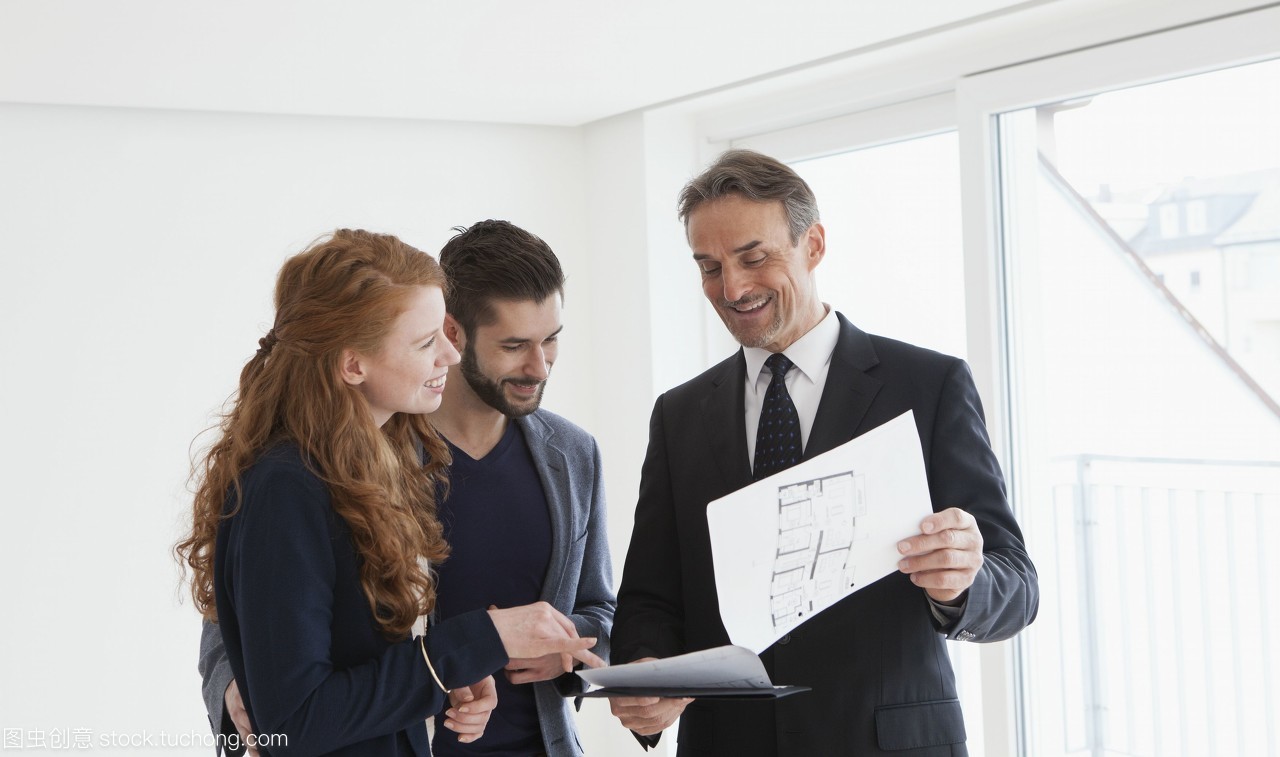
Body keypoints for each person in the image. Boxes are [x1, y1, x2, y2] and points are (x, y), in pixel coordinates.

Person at [608, 151, 1038, 756]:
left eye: (754, 257)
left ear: (813, 245)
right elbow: (652, 594)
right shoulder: (678, 415)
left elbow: (1017, 584)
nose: (731, 288)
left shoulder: (928, 385)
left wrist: (962, 583)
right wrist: (647, 671)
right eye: (709, 266)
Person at [178, 229, 599, 757]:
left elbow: (365, 657)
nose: (449, 353)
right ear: (354, 364)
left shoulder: (371, 460)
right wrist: (474, 645)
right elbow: (295, 716)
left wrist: (451, 673)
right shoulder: (287, 486)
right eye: (427, 342)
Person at [426, 219, 614, 757]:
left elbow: (602, 610)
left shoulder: (575, 454)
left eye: (551, 339)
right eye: (514, 345)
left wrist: (570, 648)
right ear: (452, 332)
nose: (539, 366)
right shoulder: (373, 455)